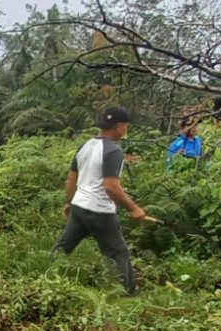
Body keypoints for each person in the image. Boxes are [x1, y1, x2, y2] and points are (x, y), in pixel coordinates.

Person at [52, 106, 152, 296]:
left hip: (80, 206)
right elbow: (111, 186)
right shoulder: (114, 151)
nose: (126, 130)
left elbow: (71, 178)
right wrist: (134, 209)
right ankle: (127, 295)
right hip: (100, 210)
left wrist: (69, 202)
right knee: (117, 253)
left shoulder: (86, 146)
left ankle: (43, 274)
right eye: (126, 126)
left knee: (64, 246)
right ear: (119, 126)